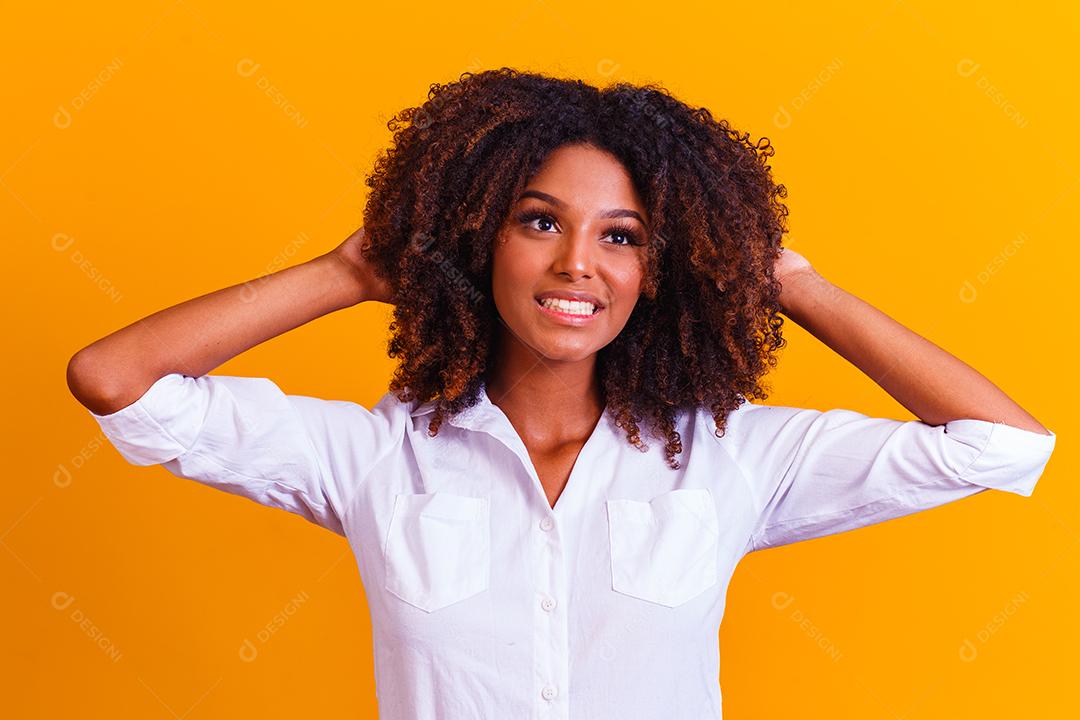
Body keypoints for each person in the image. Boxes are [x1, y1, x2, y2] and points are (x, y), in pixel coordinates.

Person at [66, 68, 1055, 720]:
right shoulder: (374, 459)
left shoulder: (730, 459)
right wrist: (350, 272)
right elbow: (114, 379)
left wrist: (787, 280)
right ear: (478, 235)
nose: (578, 263)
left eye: (621, 236)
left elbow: (1001, 445)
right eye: (540, 222)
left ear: (660, 267)